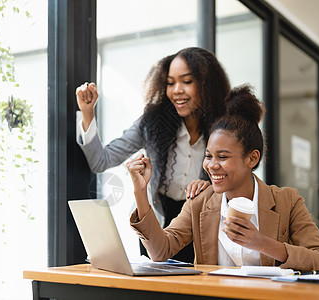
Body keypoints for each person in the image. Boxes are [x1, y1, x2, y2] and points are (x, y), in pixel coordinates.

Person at [126, 85, 319, 271]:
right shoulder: (200, 201)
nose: (212, 165)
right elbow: (160, 251)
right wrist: (140, 192)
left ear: (252, 158)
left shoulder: (287, 202)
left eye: (223, 157)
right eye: (208, 156)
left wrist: (262, 243)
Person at [75, 47, 230, 262]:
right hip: (156, 224)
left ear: (206, 85)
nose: (177, 90)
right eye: (170, 82)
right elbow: (101, 161)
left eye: (186, 81)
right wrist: (88, 113)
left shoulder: (225, 128)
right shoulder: (152, 123)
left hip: (203, 224)